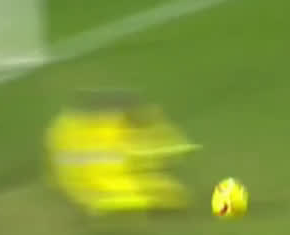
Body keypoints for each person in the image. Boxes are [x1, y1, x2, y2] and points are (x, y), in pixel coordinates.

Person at [45, 90, 197, 217]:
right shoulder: (106, 136)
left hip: (91, 185)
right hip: (106, 191)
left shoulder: (66, 128)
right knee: (171, 196)